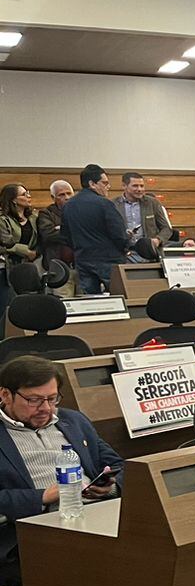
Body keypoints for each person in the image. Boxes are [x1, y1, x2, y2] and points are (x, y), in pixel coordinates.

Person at [0, 355, 123, 564]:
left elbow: (120, 465)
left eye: (52, 398)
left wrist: (110, 487)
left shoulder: (73, 421)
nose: (46, 408)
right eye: (34, 400)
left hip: (97, 512)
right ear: (6, 395)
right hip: (33, 528)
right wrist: (42, 496)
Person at [63, 164, 131, 296]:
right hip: (109, 260)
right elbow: (119, 234)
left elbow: (66, 235)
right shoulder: (105, 204)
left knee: (90, 301)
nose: (108, 187)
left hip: (82, 259)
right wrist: (125, 248)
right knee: (119, 298)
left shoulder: (68, 205)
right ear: (92, 184)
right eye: (104, 183)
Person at [0, 185, 39, 321]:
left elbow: (39, 239)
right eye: (24, 194)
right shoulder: (3, 219)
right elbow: (5, 243)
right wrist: (24, 251)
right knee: (7, 306)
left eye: (28, 193)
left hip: (27, 267)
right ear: (13, 200)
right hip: (6, 268)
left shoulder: (34, 217)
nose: (28, 196)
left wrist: (34, 252)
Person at [116, 172, 174, 250]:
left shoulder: (152, 203)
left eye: (142, 186)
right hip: (123, 252)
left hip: (148, 252)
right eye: (135, 186)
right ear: (124, 186)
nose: (140, 189)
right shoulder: (114, 204)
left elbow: (166, 228)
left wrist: (158, 240)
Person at [34, 180, 72, 272]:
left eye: (69, 193)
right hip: (57, 263)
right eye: (61, 195)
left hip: (79, 263)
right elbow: (49, 235)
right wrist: (73, 230)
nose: (67, 197)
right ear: (53, 197)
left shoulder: (80, 211)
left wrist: (60, 228)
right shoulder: (46, 213)